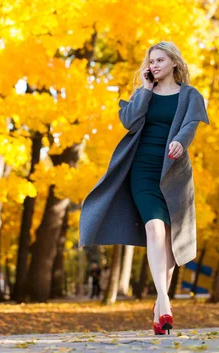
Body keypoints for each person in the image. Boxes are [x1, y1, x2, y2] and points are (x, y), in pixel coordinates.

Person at [78, 41, 210, 335]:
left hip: (173, 174)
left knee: (169, 244)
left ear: (174, 62)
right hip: (142, 170)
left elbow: (189, 126)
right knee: (154, 228)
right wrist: (146, 91)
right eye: (151, 61)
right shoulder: (143, 94)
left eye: (160, 60)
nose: (154, 65)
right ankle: (163, 301)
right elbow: (128, 120)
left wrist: (181, 142)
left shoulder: (190, 95)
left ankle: (160, 307)